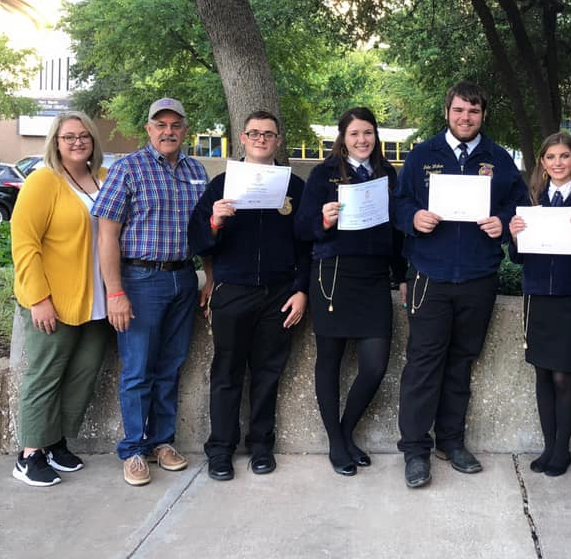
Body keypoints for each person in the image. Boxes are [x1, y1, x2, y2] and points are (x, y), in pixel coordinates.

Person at [394, 80, 529, 489]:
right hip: (429, 277)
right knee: (422, 365)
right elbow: (399, 203)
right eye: (458, 110)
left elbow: (518, 206)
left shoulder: (499, 159)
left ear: (482, 114)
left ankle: (450, 442)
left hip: (477, 277)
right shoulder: (422, 155)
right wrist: (413, 218)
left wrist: (504, 223)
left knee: (461, 363)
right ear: (447, 112)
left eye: (473, 111)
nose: (465, 118)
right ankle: (415, 449)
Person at [92, 97, 209, 486]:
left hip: (183, 280)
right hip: (141, 282)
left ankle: (162, 443)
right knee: (138, 370)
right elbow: (107, 236)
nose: (168, 131)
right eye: (161, 125)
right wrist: (115, 292)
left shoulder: (196, 170)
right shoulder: (127, 169)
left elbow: (205, 233)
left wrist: (208, 276)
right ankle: (133, 450)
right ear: (148, 129)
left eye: (175, 125)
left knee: (171, 367)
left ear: (185, 130)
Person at [189, 111, 310, 481]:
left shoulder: (294, 188)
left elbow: (307, 244)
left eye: (268, 134)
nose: (261, 139)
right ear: (242, 138)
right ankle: (221, 450)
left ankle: (261, 446)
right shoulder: (222, 185)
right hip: (233, 291)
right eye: (254, 133)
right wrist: (215, 222)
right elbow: (197, 240)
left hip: (279, 294)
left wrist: (302, 288)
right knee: (227, 373)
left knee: (268, 373)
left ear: (277, 141)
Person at [295, 107, 407, 476]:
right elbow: (301, 229)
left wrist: (401, 275)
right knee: (329, 362)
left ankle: (344, 432)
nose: (362, 140)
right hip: (333, 275)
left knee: (374, 365)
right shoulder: (323, 175)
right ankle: (336, 443)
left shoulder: (387, 174)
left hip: (374, 277)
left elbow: (395, 233)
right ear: (342, 137)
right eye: (355, 133)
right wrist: (323, 221)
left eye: (368, 133)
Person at [10, 111, 113, 487]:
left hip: (98, 300)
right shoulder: (43, 182)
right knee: (46, 375)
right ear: (56, 141)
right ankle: (29, 454)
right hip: (55, 298)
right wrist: (38, 298)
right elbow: (24, 244)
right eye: (68, 137)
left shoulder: (103, 179)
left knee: (82, 375)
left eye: (84, 136)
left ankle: (55, 442)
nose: (77, 142)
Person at [508, 132, 571, 478]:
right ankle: (547, 446)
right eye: (550, 157)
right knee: (541, 374)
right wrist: (516, 234)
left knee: (563, 376)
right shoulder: (533, 200)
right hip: (537, 298)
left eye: (564, 156)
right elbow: (517, 258)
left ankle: (562, 450)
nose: (557, 163)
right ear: (542, 162)